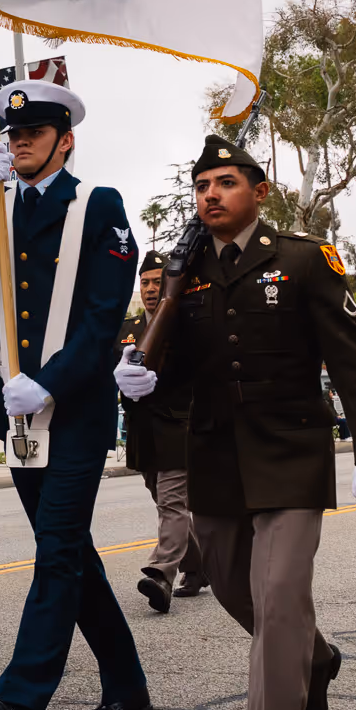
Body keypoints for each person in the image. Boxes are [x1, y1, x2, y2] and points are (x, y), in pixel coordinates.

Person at [116, 135, 356, 710]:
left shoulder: (302, 260)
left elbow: (352, 358)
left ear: (258, 191)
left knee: (276, 593)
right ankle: (316, 657)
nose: (210, 193)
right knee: (227, 583)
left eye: (225, 181)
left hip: (291, 453)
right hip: (214, 455)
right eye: (202, 185)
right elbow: (175, 370)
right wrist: (138, 369)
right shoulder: (186, 275)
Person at [0, 78, 147, 710]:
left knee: (56, 548)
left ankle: (20, 701)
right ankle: (128, 688)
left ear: (66, 138)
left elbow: (98, 318)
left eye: (34, 130)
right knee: (73, 555)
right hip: (20, 416)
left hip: (77, 408)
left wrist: (48, 382)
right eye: (11, 131)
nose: (18, 138)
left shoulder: (98, 205)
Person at [116, 250, 207, 613]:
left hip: (177, 427)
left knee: (172, 502)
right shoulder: (127, 330)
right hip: (141, 432)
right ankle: (198, 567)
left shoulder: (186, 324)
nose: (151, 289)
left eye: (157, 281)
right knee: (163, 499)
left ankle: (161, 574)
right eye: (145, 282)